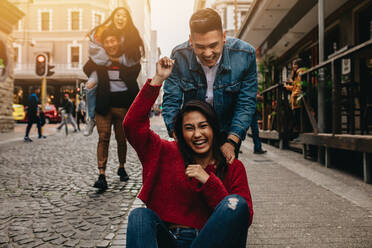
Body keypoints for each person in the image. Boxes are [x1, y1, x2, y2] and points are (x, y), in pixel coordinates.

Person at [124, 57, 253, 248]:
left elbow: (243, 217)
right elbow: (132, 126)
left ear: (213, 129)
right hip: (170, 239)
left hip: (212, 241)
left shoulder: (231, 165)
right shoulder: (164, 152)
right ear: (180, 134)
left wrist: (208, 182)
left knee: (236, 203)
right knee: (139, 216)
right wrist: (158, 80)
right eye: (189, 128)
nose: (198, 134)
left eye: (203, 126)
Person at [162, 8, 257, 164]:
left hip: (226, 131)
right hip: (193, 132)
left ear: (224, 37)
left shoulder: (245, 55)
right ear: (191, 41)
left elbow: (246, 103)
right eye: (200, 47)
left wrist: (232, 141)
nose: (207, 53)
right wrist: (178, 135)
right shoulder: (179, 56)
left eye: (213, 45)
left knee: (224, 180)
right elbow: (171, 99)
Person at [83, 28, 141, 190]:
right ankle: (101, 175)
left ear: (119, 42)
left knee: (121, 139)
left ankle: (121, 167)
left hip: (123, 105)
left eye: (113, 41)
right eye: (107, 42)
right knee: (104, 137)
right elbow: (87, 68)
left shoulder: (126, 59)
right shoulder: (99, 60)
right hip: (103, 106)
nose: (110, 44)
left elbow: (135, 70)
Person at [84, 7, 144, 136]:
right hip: (102, 70)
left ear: (128, 19)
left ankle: (136, 122)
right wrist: (111, 58)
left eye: (124, 16)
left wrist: (119, 59)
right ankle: (91, 118)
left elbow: (133, 59)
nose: (120, 18)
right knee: (89, 87)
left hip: (122, 74)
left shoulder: (131, 36)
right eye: (118, 15)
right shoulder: (102, 31)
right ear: (113, 17)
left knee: (134, 96)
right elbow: (94, 52)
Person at [284, 58, 307, 134]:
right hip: (298, 98)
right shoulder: (300, 72)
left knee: (297, 118)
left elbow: (299, 86)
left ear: (297, 65)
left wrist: (293, 94)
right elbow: (297, 85)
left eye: (294, 65)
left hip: (298, 99)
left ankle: (296, 134)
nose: (293, 67)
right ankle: (296, 133)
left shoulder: (300, 72)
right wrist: (290, 84)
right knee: (297, 118)